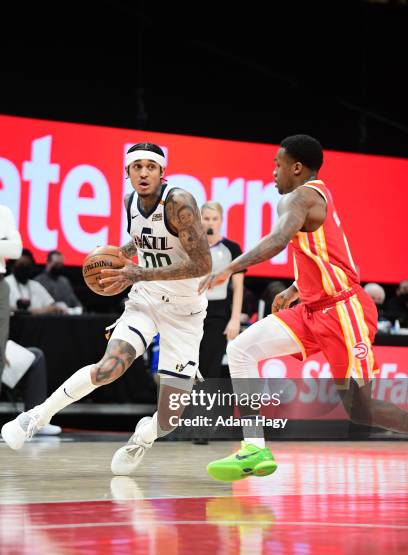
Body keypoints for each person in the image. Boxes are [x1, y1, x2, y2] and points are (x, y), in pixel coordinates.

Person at [199, 134, 408, 482]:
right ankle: (254, 448)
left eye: (277, 165)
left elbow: (278, 240)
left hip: (344, 313)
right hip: (312, 309)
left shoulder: (300, 197)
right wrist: (298, 287)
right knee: (240, 350)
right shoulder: (313, 197)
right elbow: (328, 254)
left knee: (361, 410)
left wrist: (232, 266)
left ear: (296, 167)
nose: (273, 173)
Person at [2, 143, 212, 476]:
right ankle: (35, 417)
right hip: (146, 300)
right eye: (136, 167)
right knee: (109, 367)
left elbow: (202, 263)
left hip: (185, 314)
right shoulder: (130, 202)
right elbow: (140, 241)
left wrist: (136, 271)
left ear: (162, 172)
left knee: (170, 418)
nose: (143, 173)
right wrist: (114, 257)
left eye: (150, 166)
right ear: (127, 172)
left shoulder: (180, 203)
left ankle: (143, 436)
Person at [199, 201, 244, 378]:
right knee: (187, 364)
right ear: (200, 220)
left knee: (211, 365)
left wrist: (234, 320)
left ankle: (206, 405)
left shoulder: (232, 249)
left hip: (218, 314)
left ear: (221, 220)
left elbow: (239, 287)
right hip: (191, 311)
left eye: (215, 218)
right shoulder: (190, 247)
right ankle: (184, 405)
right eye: (206, 218)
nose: (210, 223)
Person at [0, 205, 22, 394]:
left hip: (1, 283)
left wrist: (8, 246)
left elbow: (16, 250)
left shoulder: (4, 212)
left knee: (0, 349)